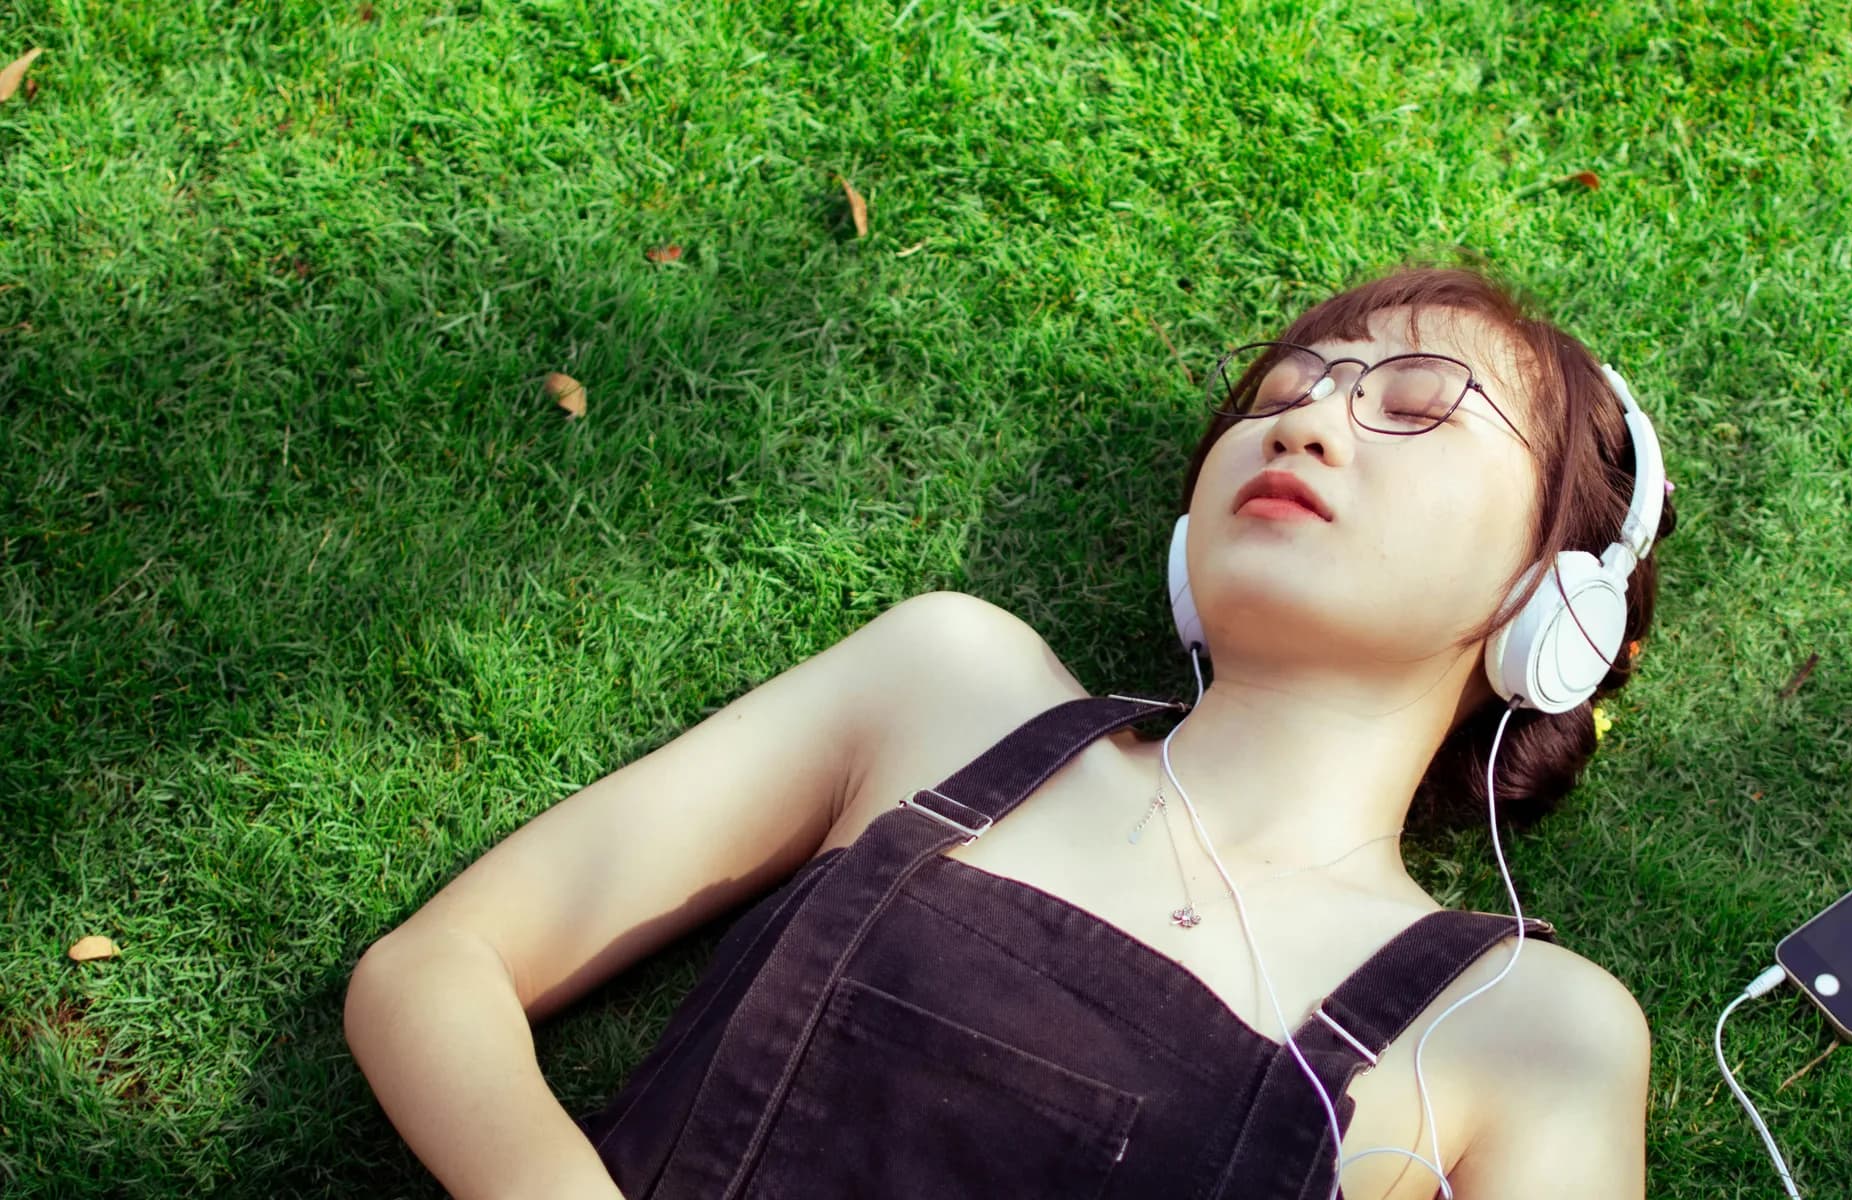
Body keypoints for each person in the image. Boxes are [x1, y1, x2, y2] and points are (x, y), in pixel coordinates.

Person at [344, 262, 1678, 1199]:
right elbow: (437, 971)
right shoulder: (949, 689)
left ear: (1552, 605)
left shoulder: (1530, 1032)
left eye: (1419, 407)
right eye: (1286, 391)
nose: (1313, 420)